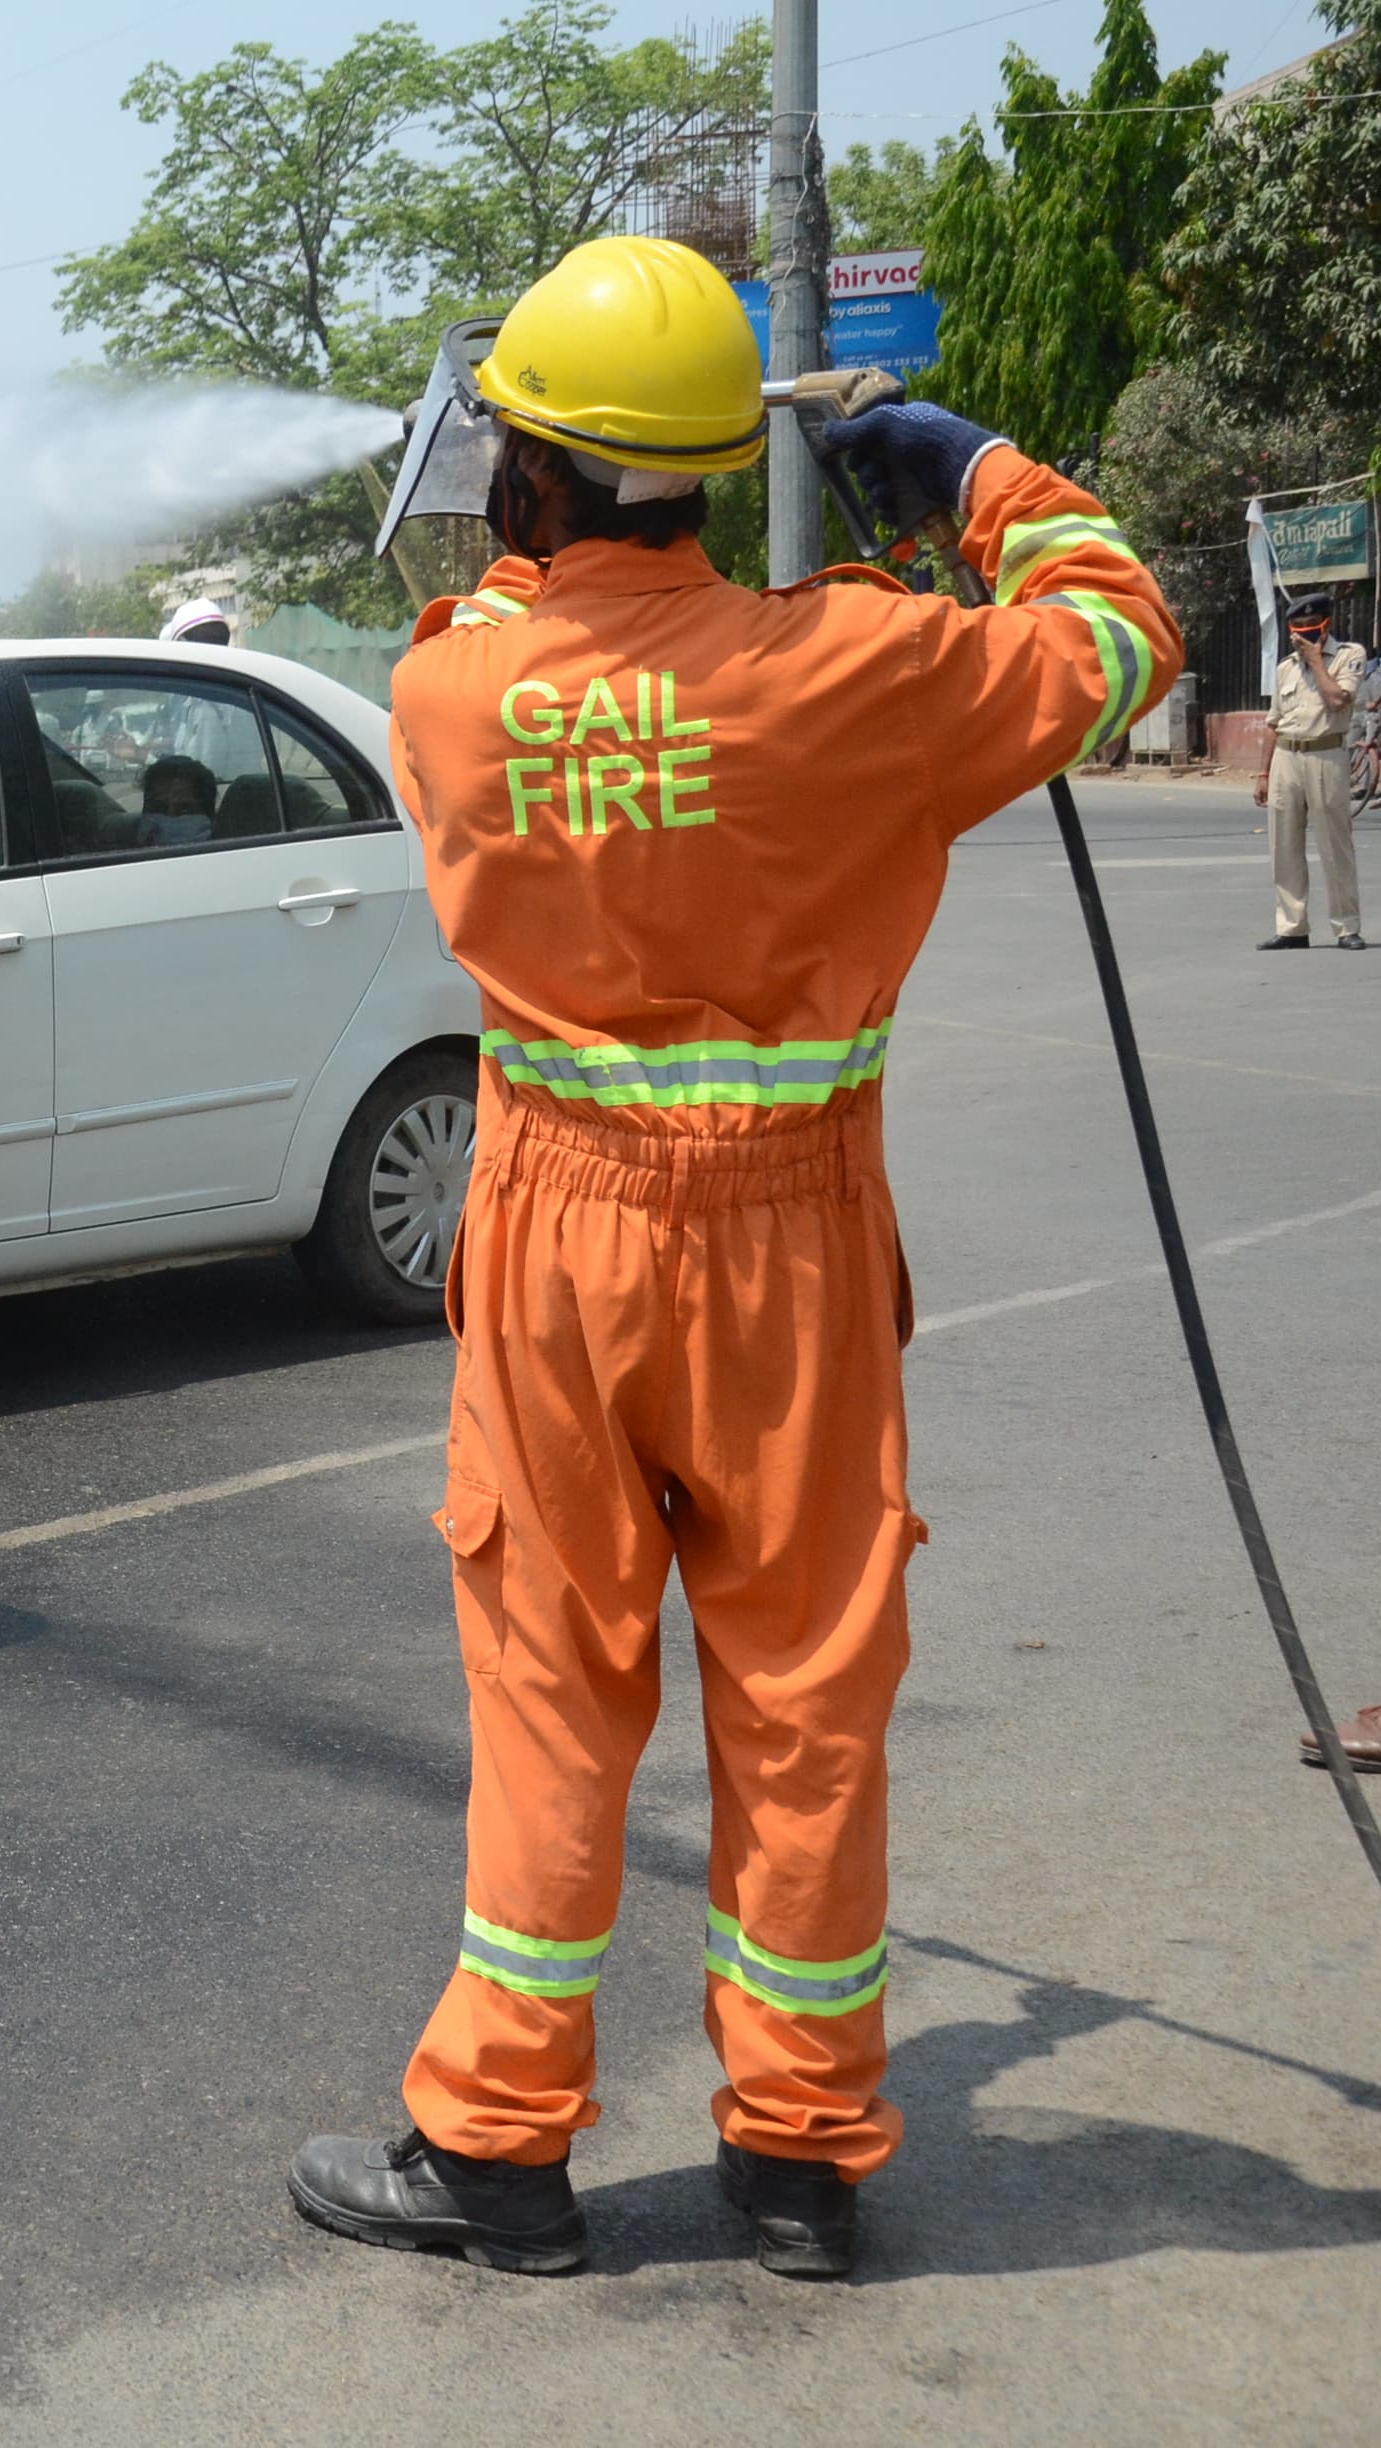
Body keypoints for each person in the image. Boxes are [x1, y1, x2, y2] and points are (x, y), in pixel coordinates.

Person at [284, 234, 1177, 2282]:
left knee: (550, 1689)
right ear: (705, 467)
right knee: (804, 1698)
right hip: (793, 1253)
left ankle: (499, 2145)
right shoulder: (864, 673)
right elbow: (1121, 633)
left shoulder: (451, 689)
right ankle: (798, 2155)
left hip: (558, 1245)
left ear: (529, 472)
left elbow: (503, 612)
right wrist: (974, 479)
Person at [1257, 592, 1366, 950]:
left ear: (1326, 625)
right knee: (1284, 846)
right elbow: (1274, 722)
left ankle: (1346, 927)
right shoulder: (1284, 667)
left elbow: (1337, 700)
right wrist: (1263, 773)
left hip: (1326, 754)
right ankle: (1292, 928)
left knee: (1335, 845)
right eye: (1297, 628)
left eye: (1311, 626)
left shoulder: (1349, 655)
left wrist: (1317, 661)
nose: (1303, 634)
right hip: (1287, 756)